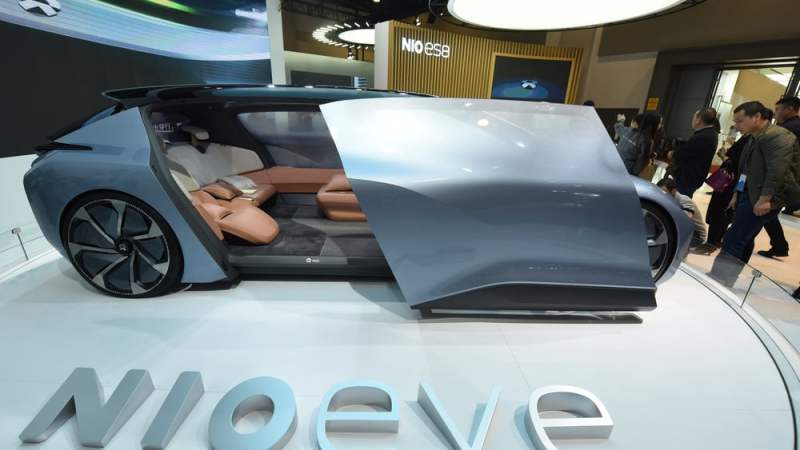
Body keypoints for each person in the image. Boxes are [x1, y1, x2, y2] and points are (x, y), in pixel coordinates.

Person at [708, 101, 799, 286]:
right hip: (749, 194)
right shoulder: (753, 137)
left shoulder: (778, 136)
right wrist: (737, 193)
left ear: (757, 117)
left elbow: (777, 171)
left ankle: (720, 279)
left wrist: (766, 199)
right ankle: (727, 279)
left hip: (762, 197)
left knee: (734, 237)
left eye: (740, 121)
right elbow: (745, 169)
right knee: (743, 237)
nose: (736, 125)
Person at [692, 132, 751, 255]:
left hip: (732, 184)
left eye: (739, 122)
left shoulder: (751, 140)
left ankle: (712, 242)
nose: (737, 125)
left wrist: (724, 157)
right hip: (729, 184)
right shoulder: (747, 138)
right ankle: (714, 241)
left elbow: (743, 169)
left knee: (720, 213)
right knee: (721, 212)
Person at [757, 96, 800, 258]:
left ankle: (779, 245)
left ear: (790, 109)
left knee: (764, 211)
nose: (775, 113)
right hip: (787, 178)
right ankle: (780, 245)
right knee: (768, 213)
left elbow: (780, 159)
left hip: (783, 179)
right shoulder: (791, 126)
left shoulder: (789, 129)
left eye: (778, 109)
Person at [669, 108, 720, 198]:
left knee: (680, 201)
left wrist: (673, 154)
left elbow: (686, 154)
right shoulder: (709, 133)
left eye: (694, 117)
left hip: (688, 178)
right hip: (693, 177)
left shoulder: (703, 136)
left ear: (698, 120)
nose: (692, 120)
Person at [657, 178, 707, 248]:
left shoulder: (685, 200)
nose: (662, 195)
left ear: (673, 191)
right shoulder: (668, 198)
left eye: (665, 192)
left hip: (697, 236)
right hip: (685, 230)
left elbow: (685, 220)